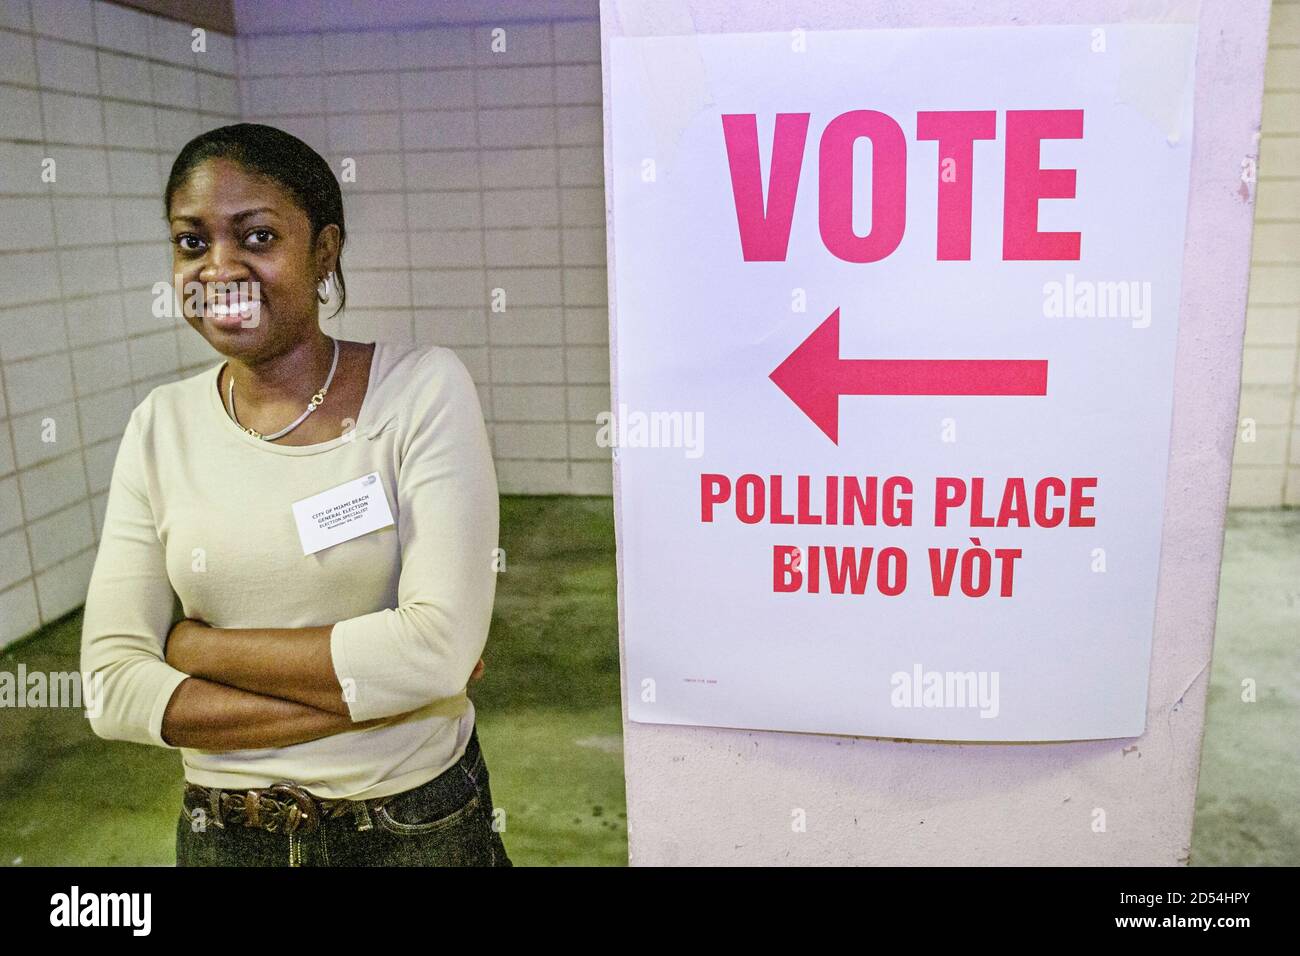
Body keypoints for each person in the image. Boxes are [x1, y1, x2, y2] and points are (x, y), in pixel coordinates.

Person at [78, 123, 511, 867]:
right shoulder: (161, 426)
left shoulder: (420, 390)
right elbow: (114, 689)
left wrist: (195, 648)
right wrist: (382, 690)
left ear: (325, 252)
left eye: (257, 236)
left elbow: (437, 651)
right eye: (191, 242)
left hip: (412, 827)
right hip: (225, 838)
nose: (220, 268)